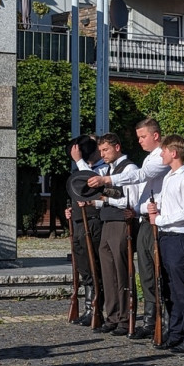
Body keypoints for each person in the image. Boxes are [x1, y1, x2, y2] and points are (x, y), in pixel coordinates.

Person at [88, 118, 169, 340]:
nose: (140, 141)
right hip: (139, 219)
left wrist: (106, 183)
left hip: (141, 221)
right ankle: (121, 316)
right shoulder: (148, 159)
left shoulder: (153, 160)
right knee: (124, 273)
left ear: (155, 135)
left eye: (143, 137)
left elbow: (135, 186)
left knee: (133, 273)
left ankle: (136, 318)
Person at [147, 134, 184, 354]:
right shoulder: (169, 176)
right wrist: (155, 209)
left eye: (164, 151)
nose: (162, 155)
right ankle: (175, 332)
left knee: (182, 289)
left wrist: (159, 219)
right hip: (166, 236)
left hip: (179, 237)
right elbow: (168, 204)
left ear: (174, 153)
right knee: (169, 288)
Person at [93, 133, 138, 337]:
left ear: (117, 147)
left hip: (121, 222)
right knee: (108, 272)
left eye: (106, 150)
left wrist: (105, 197)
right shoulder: (108, 170)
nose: (103, 155)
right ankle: (111, 315)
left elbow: (129, 200)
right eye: (101, 151)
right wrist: (93, 200)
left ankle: (125, 317)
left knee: (122, 271)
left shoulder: (129, 169)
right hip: (107, 221)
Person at [67, 134, 104, 326]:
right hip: (80, 222)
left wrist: (79, 161)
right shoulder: (84, 168)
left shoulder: (102, 170)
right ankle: (88, 307)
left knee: (93, 265)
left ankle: (96, 309)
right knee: (83, 266)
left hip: (93, 222)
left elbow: (90, 185)